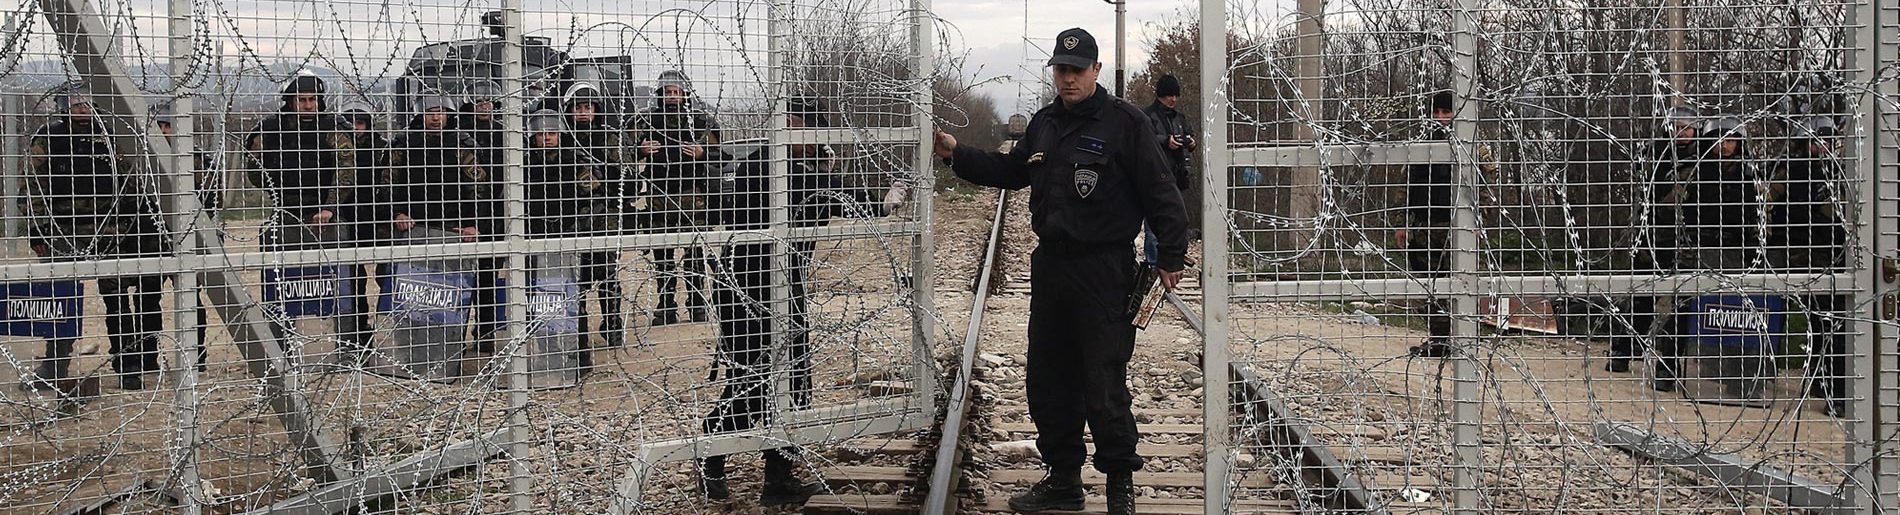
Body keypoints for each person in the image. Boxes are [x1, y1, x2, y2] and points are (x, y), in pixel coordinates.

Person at [930, 27, 1189, 515]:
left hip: (1104, 271)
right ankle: (1064, 480)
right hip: (1052, 268)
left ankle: (1119, 491)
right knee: (1049, 378)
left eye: (1076, 70)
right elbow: (1013, 172)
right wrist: (957, 154)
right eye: (1060, 70)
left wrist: (1170, 255)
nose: (1067, 79)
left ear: (1095, 70)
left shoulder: (1126, 124)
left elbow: (1161, 191)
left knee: (1103, 380)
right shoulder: (1045, 124)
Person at [696, 97, 847, 506]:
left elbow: (825, 203)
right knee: (750, 381)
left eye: (801, 129)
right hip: (747, 290)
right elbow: (822, 201)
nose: (793, 135)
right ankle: (708, 459)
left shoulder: (803, 168)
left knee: (794, 382)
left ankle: (779, 477)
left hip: (785, 286)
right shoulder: (765, 164)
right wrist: (868, 198)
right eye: (789, 126)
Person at [240, 72, 371, 361]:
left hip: (325, 217)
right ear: (290, 101)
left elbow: (346, 170)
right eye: (302, 100)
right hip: (286, 215)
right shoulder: (272, 129)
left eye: (313, 100)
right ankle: (282, 352)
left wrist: (329, 207)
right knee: (282, 283)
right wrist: (279, 194)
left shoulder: (332, 128)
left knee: (338, 283)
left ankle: (346, 348)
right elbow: (254, 169)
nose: (308, 105)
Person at [19, 84, 142, 389]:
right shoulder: (49, 138)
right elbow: (32, 189)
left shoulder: (111, 137)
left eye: (87, 102)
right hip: (63, 232)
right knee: (63, 299)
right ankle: (55, 366)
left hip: (108, 230)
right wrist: (38, 233)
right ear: (64, 107)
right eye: (75, 103)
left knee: (116, 300)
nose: (82, 108)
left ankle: (128, 367)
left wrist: (126, 226)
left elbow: (130, 182)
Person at [1663, 115, 1771, 397]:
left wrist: (1754, 249)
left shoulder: (1748, 176)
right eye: (1719, 139)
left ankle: (1739, 379)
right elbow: (1672, 209)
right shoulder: (1693, 171)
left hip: (1735, 250)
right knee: (1682, 307)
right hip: (1697, 248)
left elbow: (1758, 215)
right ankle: (1666, 369)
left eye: (1731, 140)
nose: (1725, 145)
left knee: (1736, 314)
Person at [385, 92, 496, 350]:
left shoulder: (462, 145)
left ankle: (449, 348)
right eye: (430, 111)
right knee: (414, 292)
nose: (436, 117)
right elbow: (387, 184)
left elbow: (480, 188)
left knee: (450, 293)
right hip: (414, 229)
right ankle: (410, 348)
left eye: (441, 111)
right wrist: (396, 212)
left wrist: (476, 223)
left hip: (453, 229)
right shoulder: (404, 145)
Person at [1609, 106, 1701, 374]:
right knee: (1640, 296)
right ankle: (1623, 350)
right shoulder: (1654, 155)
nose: (1681, 133)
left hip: (1684, 240)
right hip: (1652, 234)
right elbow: (1644, 193)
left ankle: (1668, 363)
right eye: (1676, 127)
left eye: (1687, 128)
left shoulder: (1701, 159)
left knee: (1681, 301)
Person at [1773, 116, 1849, 416]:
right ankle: (1828, 386)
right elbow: (1768, 204)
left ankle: (1827, 384)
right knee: (1819, 320)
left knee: (1828, 322)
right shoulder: (1792, 170)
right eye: (1815, 142)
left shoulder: (1840, 171)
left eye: (1826, 141)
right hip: (1800, 252)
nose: (1821, 147)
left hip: (1833, 253)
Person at [524, 109, 607, 372]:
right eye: (540, 134)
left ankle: (578, 357)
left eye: (551, 134)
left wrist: (576, 225)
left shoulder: (575, 160)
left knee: (573, 300)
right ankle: (548, 354)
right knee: (541, 300)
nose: (546, 139)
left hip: (570, 237)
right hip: (536, 238)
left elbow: (594, 195)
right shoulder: (524, 162)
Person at [634, 70, 718, 325]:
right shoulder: (647, 122)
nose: (672, 97)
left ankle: (697, 304)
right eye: (668, 92)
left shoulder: (700, 121)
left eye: (676, 92)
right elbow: (623, 153)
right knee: (663, 256)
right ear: (660, 95)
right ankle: (666, 305)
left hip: (691, 194)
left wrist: (703, 152)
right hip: (659, 194)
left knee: (693, 254)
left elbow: (719, 155)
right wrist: (641, 149)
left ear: (684, 95)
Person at [563, 82, 629, 347]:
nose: (582, 113)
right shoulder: (563, 136)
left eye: (587, 107)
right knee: (573, 279)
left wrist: (610, 179)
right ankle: (577, 329)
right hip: (571, 216)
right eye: (577, 108)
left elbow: (628, 179)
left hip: (605, 216)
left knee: (608, 275)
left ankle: (612, 326)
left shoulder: (609, 137)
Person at [1395, 91, 1456, 358]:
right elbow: (1407, 186)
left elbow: (1485, 186)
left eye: (1446, 112)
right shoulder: (1420, 144)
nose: (1440, 118)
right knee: (1427, 285)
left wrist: (1479, 222)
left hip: (1455, 225)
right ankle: (1439, 338)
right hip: (1423, 225)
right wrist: (1403, 223)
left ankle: (1459, 338)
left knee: (1456, 284)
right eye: (1436, 113)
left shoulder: (1469, 144)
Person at [1141, 73, 1199, 260]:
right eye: (1168, 95)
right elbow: (1142, 141)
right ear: (1160, 95)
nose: (1173, 99)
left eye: (1175, 95)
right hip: (1154, 178)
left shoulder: (1179, 118)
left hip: (1177, 177)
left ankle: (1175, 260)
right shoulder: (1147, 116)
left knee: (1177, 223)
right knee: (1153, 228)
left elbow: (1191, 138)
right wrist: (1166, 141)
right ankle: (1152, 267)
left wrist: (1190, 143)